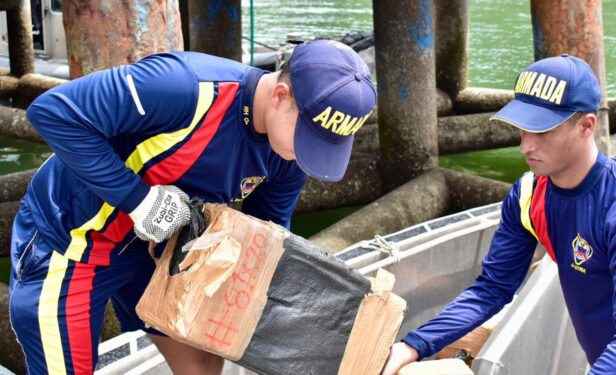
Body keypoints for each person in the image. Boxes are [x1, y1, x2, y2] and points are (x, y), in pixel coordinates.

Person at [8, 39, 376, 375]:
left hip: (160, 252)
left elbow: (267, 238)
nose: (309, 156)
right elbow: (53, 113)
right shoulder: (183, 86)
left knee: (202, 364)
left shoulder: (289, 158)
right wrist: (138, 200)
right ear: (280, 96)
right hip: (72, 241)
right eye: (308, 139)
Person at [381, 55, 616, 375]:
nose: (526, 147)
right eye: (523, 129)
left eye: (542, 131)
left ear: (586, 126)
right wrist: (413, 345)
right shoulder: (528, 194)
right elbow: (491, 289)